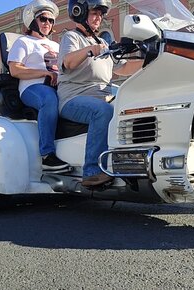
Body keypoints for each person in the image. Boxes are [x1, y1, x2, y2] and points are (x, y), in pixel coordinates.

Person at [58, 0, 144, 187]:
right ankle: (92, 172)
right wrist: (89, 50)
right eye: (94, 13)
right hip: (73, 98)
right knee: (102, 112)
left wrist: (150, 60)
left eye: (101, 14)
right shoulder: (71, 37)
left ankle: (131, 161)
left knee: (134, 103)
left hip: (103, 95)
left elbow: (123, 68)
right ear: (79, 12)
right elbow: (68, 62)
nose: (99, 18)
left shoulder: (102, 42)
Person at [7, 0, 71, 173]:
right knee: (49, 100)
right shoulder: (23, 42)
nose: (47, 24)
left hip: (59, 86)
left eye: (51, 21)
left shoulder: (57, 45)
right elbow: (14, 69)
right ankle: (47, 156)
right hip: (33, 88)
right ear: (33, 21)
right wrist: (45, 73)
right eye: (43, 19)